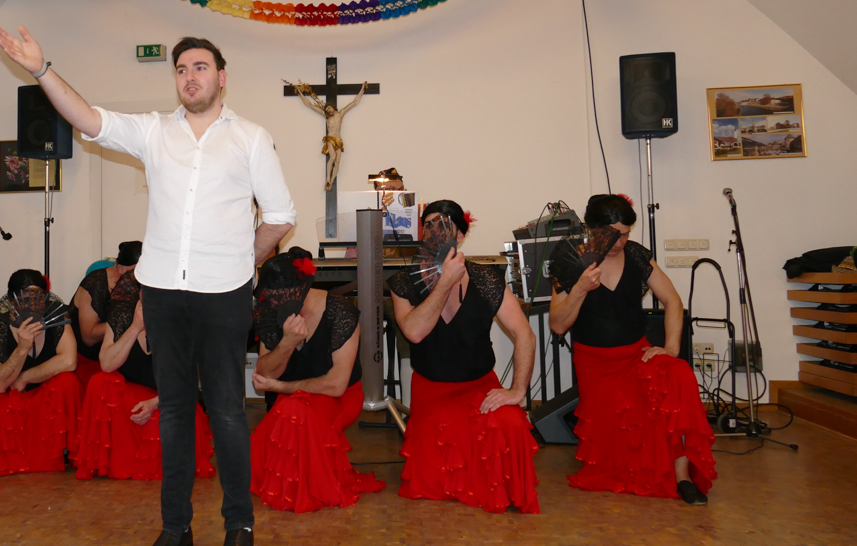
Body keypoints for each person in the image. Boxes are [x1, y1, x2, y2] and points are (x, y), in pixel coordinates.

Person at [0, 27, 295, 546]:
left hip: (224, 294)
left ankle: (239, 527)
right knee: (174, 412)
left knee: (227, 411)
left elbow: (280, 216)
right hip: (163, 294)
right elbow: (88, 119)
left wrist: (242, 261)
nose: (190, 77)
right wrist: (40, 69)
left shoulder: (251, 137)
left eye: (200, 67)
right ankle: (175, 528)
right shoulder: (154, 131)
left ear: (221, 77)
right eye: (181, 70)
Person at [549, 194, 716, 505]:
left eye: (625, 233)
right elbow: (558, 325)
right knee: (617, 451)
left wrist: (671, 348)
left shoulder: (637, 255)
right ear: (592, 229)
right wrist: (580, 289)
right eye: (613, 234)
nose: (620, 241)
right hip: (596, 366)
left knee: (679, 374)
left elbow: (673, 301)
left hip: (637, 355)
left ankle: (681, 476)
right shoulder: (570, 259)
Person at [388, 201, 540, 513]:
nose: (435, 233)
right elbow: (414, 332)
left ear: (459, 235)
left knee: (511, 424)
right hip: (433, 392)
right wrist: (444, 282)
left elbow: (525, 334)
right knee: (434, 483)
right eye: (429, 226)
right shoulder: (404, 281)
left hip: (479, 387)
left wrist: (518, 390)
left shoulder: (485, 278)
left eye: (443, 226)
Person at [249, 248, 385, 513]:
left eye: (279, 295)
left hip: (338, 397)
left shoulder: (340, 312)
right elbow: (264, 375)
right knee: (282, 422)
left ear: (300, 290)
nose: (273, 301)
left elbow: (336, 385)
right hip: (291, 400)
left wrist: (281, 388)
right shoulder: (272, 311)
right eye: (270, 295)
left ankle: (301, 490)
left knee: (294, 412)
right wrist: (287, 342)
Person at [75, 269, 216, 481]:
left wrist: (155, 403)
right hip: (130, 397)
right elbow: (107, 364)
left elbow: (188, 381)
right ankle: (116, 462)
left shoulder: (183, 322)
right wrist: (135, 328)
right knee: (100, 382)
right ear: (139, 291)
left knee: (176, 422)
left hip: (168, 398)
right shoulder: (121, 315)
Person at [0, 269, 81, 477]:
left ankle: (60, 450)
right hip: (14, 396)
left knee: (68, 381)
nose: (32, 305)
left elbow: (69, 361)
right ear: (12, 301)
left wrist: (25, 377)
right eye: (25, 299)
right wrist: (22, 349)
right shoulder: (0, 326)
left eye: (38, 298)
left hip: (47, 394)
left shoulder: (57, 317)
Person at [70, 241, 142, 395]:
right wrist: (128, 320)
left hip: (119, 357)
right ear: (120, 268)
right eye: (135, 271)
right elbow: (88, 337)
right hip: (87, 360)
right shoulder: (96, 282)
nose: (139, 277)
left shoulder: (142, 287)